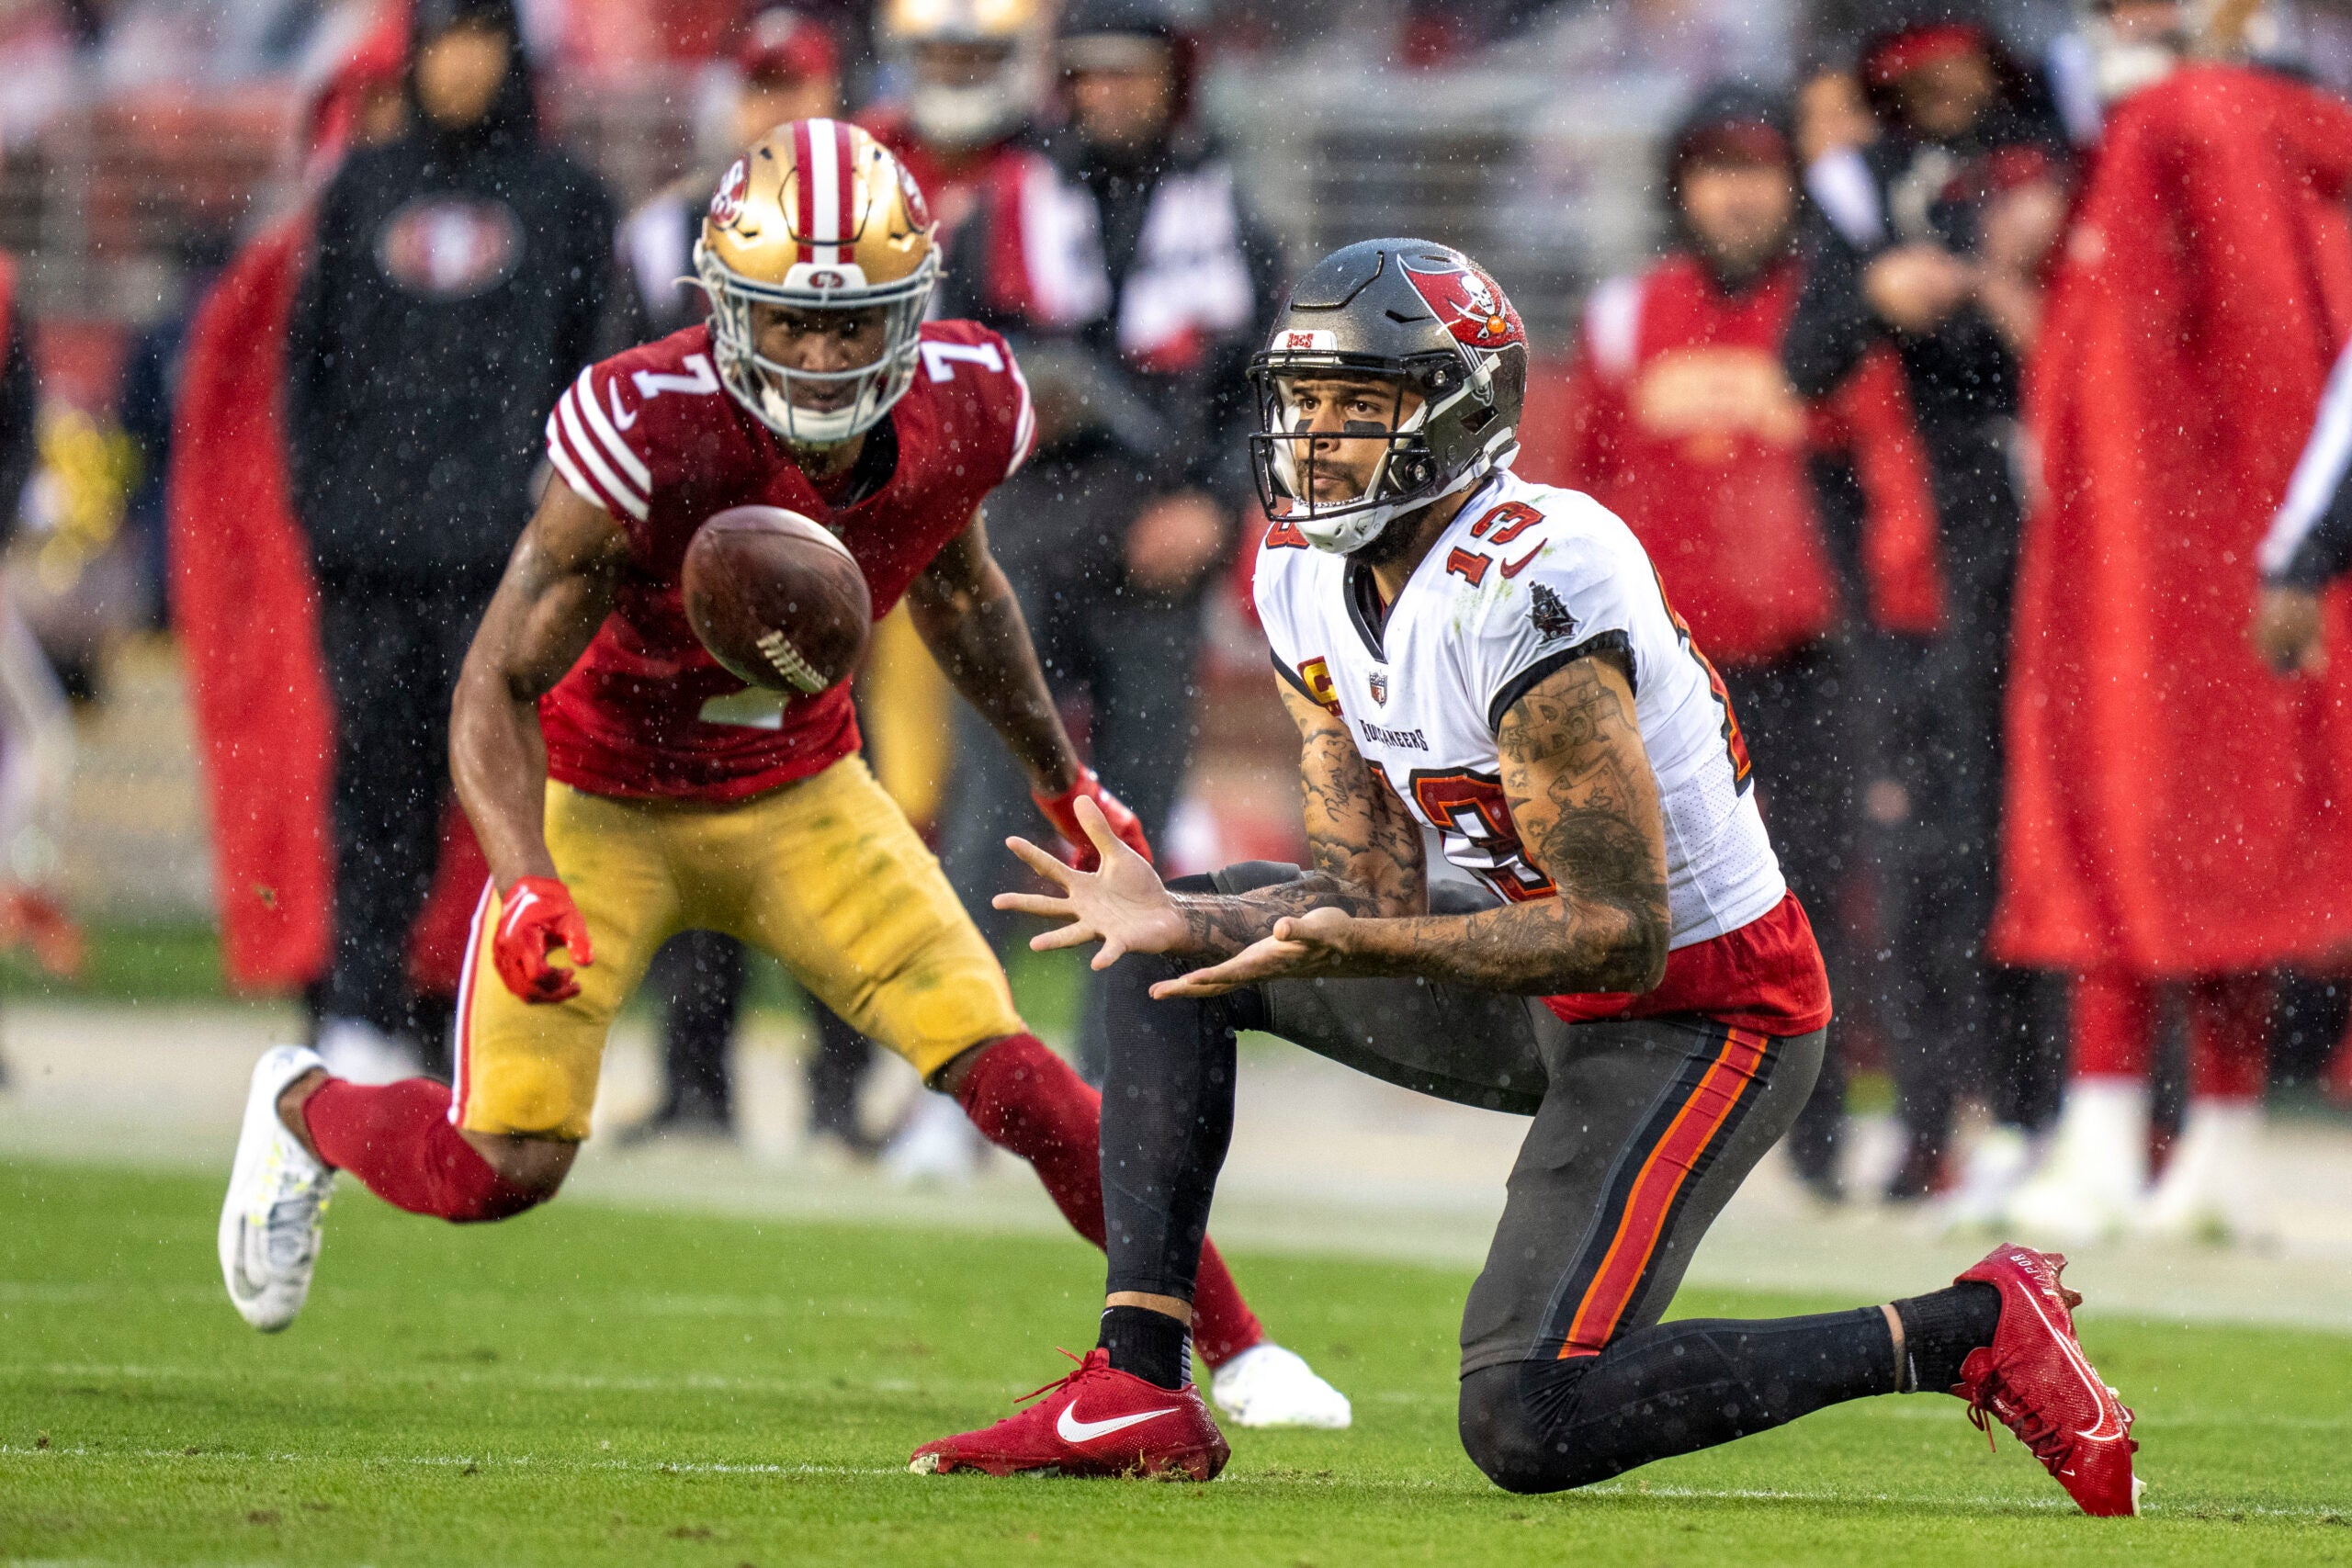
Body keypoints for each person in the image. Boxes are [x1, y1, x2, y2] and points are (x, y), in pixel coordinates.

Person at [907, 240, 2139, 1517]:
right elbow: (1370, 890)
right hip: (1530, 966)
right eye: (1307, 402)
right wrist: (1190, 912)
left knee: (1528, 1414)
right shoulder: (1300, 568)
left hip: (1708, 1009)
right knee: (1170, 953)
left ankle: (1966, 1325)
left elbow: (1616, 931)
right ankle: (1139, 1382)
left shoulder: (1533, 571)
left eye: (1362, 405)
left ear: (1459, 412)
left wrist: (1363, 946)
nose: (1320, 438)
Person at [217, 120, 1348, 1432]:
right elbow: (497, 682)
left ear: (912, 311)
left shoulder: (967, 399)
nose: (819, 356)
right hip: (602, 798)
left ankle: (1243, 1346)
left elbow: (967, 594)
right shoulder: (648, 421)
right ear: (724, 309)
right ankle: (304, 1103)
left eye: (853, 323)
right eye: (788, 324)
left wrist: (1062, 783)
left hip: (801, 790)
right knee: (503, 1164)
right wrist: (525, 877)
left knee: (1016, 1074)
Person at [1996, 26, 2352, 1243]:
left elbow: (2251, 353)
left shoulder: (2185, 126)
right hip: (2208, 541)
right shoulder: (2210, 128)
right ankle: (2208, 1135)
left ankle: (2124, 1133)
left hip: (2170, 548)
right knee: (2204, 834)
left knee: (2136, 821)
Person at [933, 0, 1285, 1084]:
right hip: (1023, 548)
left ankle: (1116, 1077)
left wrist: (1217, 509)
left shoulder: (1235, 222)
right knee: (992, 812)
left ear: (1173, 82)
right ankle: (959, 1066)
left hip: (1157, 557)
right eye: (1086, 76)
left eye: (1128, 74)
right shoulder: (998, 212)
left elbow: (1268, 397)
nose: (1107, 96)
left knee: (1135, 843)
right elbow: (950, 363)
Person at [282, 0, 615, 1083]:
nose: (460, 64)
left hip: (508, 569)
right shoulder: (360, 192)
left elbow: (596, 378)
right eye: (442, 40)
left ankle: (513, 1021)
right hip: (372, 566)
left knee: (521, 805)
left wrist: (556, 533)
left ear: (510, 54)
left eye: (480, 38)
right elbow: (310, 368)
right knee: (375, 792)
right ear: (414, 56)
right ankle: (361, 1012)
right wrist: (331, 513)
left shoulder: (569, 203)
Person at [1545, 85, 1857, 1201]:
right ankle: (1638, 1123)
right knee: (1640, 898)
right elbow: (1573, 491)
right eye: (1717, 166)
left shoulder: (1831, 313)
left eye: (1760, 167)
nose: (1737, 191)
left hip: (1806, 661)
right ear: (1681, 184)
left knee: (1806, 892)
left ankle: (1814, 1140)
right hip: (1665, 672)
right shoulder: (1628, 315)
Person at [1782, 9, 2069, 1202]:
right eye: (1918, 70)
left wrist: (2001, 292)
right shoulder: (1865, 192)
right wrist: (1882, 298)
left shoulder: (2051, 172)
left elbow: (2067, 352)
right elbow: (1807, 358)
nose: (1941, 87)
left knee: (2030, 843)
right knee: (1926, 861)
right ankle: (1935, 1110)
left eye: (1960, 64)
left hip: (2042, 549)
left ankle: (2048, 1109)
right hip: (1917, 571)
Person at [606, 5, 869, 1155]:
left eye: (796, 87)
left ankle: (833, 1087)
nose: (778, 111)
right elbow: (615, 389)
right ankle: (695, 1078)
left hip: (829, 563)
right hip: (686, 572)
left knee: (830, 823)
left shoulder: (876, 237)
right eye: (762, 89)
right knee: (690, 822)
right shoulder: (657, 231)